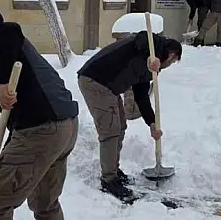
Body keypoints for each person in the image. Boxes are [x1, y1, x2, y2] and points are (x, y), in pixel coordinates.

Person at [0, 8, 80, 220]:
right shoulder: (3, 55)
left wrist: (1, 85)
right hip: (64, 126)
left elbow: (9, 30)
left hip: (43, 128)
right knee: (44, 203)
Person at [77, 31, 183, 200]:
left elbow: (141, 94)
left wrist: (152, 123)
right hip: (94, 81)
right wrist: (150, 57)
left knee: (120, 125)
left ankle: (114, 170)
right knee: (110, 130)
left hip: (109, 87)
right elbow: (140, 39)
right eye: (172, 61)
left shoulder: (150, 69)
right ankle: (109, 180)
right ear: (171, 55)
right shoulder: (151, 44)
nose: (169, 65)